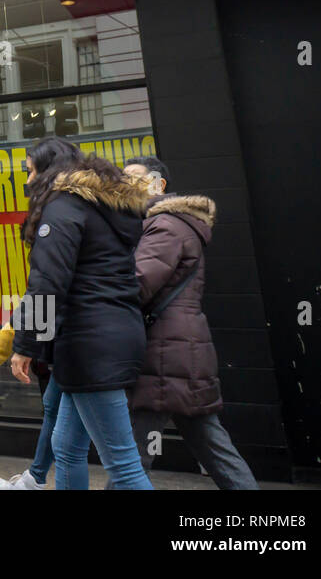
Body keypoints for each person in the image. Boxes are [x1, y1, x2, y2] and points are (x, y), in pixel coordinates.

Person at [9, 137, 153, 490]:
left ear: (48, 170)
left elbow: (47, 283)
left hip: (90, 345)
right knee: (66, 447)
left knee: (124, 466)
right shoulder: (102, 208)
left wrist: (26, 345)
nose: (27, 181)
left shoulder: (63, 208)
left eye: (30, 171)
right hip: (112, 335)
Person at [120, 156, 258, 489]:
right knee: (211, 445)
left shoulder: (165, 225)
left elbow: (138, 283)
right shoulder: (168, 223)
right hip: (181, 352)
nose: (126, 185)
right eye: (123, 178)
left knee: (133, 453)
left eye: (134, 178)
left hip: (166, 354)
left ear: (158, 185)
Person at [0, 321, 58, 490]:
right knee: (54, 411)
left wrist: (24, 347)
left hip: (83, 347)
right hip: (82, 346)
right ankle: (33, 479)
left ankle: (33, 480)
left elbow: (44, 296)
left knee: (119, 454)